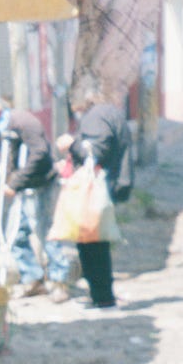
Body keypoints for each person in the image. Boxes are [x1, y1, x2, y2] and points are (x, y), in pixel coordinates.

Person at [0, 94, 72, 301]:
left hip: (41, 184)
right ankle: (33, 279)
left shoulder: (24, 123)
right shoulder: (1, 129)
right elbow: (9, 156)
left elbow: (40, 153)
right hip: (23, 188)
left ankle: (59, 281)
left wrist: (15, 182)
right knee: (15, 234)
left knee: (45, 231)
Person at [56, 90, 132, 309]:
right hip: (108, 184)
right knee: (95, 242)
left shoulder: (96, 117)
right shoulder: (108, 113)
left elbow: (95, 151)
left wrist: (71, 144)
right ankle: (101, 295)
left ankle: (102, 297)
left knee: (92, 244)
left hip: (97, 189)